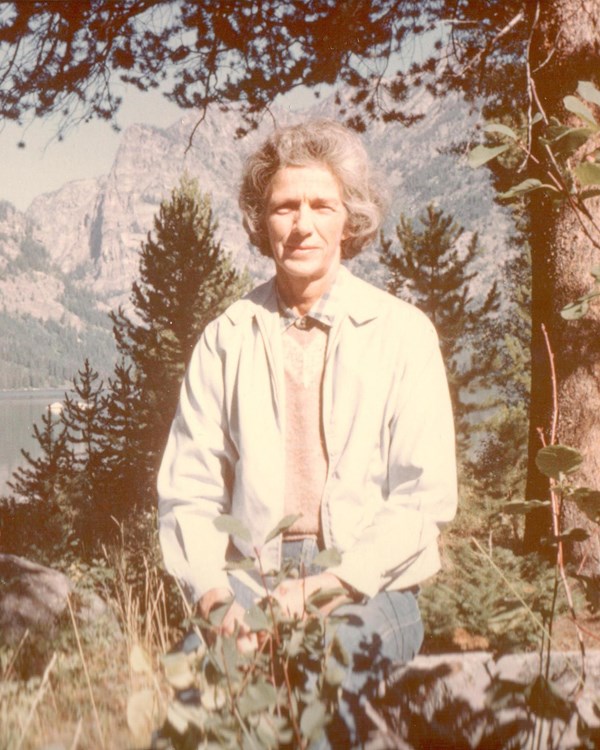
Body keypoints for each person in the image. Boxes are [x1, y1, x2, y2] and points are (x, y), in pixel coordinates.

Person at [157, 119, 457, 745]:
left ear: (350, 219)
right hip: (252, 575)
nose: (303, 224)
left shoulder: (403, 334)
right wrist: (217, 600)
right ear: (261, 222)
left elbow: (422, 498)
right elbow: (188, 490)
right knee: (202, 701)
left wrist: (321, 589)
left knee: (327, 683)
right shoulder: (227, 337)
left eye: (322, 205)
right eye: (284, 207)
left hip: (370, 583)